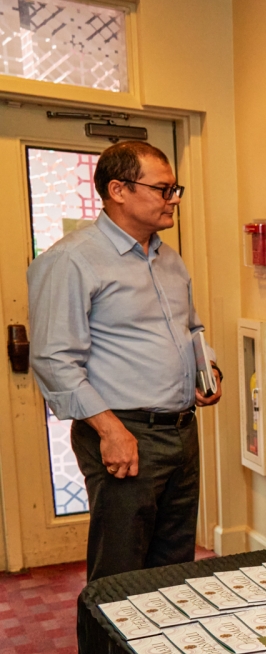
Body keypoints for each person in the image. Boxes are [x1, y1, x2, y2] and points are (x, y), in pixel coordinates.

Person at [28, 141, 221, 582]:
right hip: (123, 433)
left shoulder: (169, 259)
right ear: (118, 189)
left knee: (174, 569)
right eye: (163, 189)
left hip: (179, 431)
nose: (173, 200)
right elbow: (54, 359)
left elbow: (191, 329)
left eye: (176, 189)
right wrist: (111, 431)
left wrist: (207, 369)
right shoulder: (72, 260)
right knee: (120, 573)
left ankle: (164, 653)